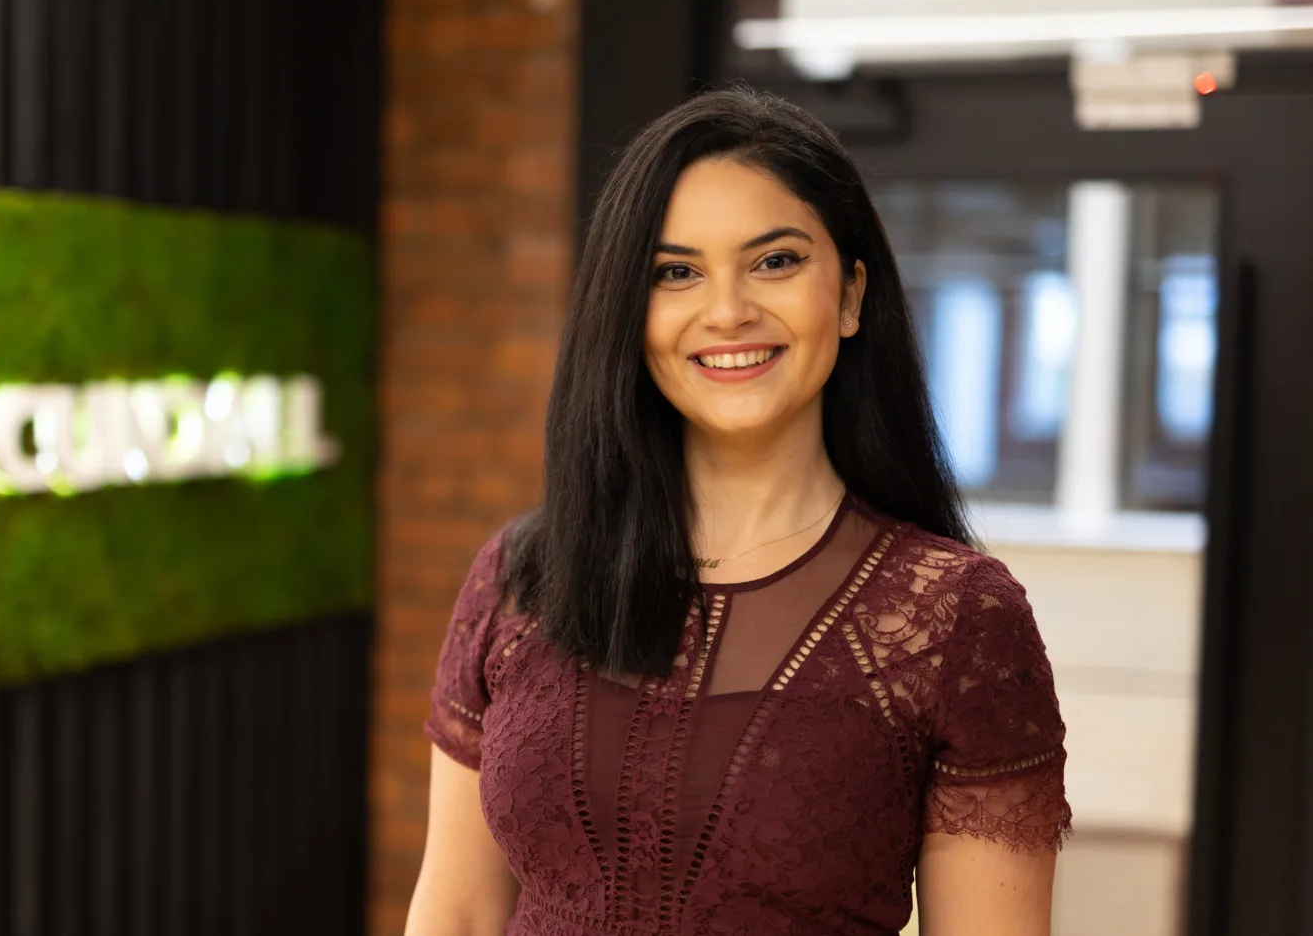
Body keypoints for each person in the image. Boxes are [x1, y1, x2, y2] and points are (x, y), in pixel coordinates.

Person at [406, 87, 1070, 936]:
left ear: (852, 293)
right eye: (675, 272)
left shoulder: (955, 619)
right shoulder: (521, 576)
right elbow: (456, 913)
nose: (727, 311)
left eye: (775, 261)